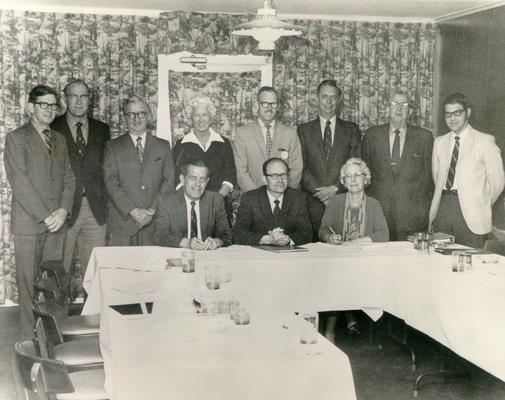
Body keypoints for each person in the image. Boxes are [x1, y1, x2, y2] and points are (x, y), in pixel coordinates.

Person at [4, 85, 76, 338]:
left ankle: (53, 339)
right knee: (27, 286)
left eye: (53, 105)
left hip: (57, 224)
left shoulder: (59, 140)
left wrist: (64, 211)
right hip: (29, 224)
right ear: (30, 107)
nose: (48, 110)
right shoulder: (16, 138)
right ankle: (27, 342)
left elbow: (69, 179)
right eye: (43, 104)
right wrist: (46, 216)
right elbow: (19, 182)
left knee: (54, 284)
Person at [318, 158, 388, 341]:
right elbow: (323, 230)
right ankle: (330, 330)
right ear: (343, 182)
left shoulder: (374, 204)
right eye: (348, 176)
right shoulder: (335, 202)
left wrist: (361, 240)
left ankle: (349, 316)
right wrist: (329, 237)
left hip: (365, 262)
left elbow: (384, 234)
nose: (353, 179)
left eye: (357, 175)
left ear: (366, 179)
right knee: (335, 275)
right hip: (339, 261)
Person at [429, 92, 505, 248]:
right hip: (443, 209)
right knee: (439, 262)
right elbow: (437, 178)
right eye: (448, 114)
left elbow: (497, 183)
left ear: (468, 112)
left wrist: (480, 202)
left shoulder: (485, 141)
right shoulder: (439, 142)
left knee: (470, 263)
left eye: (457, 113)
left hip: (472, 216)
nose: (452, 118)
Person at [51, 79, 110, 274]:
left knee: (94, 273)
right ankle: (59, 307)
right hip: (63, 210)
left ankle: (91, 306)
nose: (78, 101)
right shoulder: (52, 128)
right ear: (65, 99)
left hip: (94, 210)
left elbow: (107, 171)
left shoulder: (102, 130)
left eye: (83, 96)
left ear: (89, 100)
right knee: (59, 271)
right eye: (73, 96)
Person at [361, 89, 434, 241]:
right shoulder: (371, 136)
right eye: (394, 104)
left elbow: (428, 181)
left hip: (412, 218)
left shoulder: (424, 138)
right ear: (388, 108)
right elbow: (364, 178)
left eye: (404, 104)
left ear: (410, 111)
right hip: (378, 216)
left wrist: (423, 213)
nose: (399, 108)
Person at [104, 95, 174, 246]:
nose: (136, 118)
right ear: (125, 118)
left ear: (148, 116)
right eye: (131, 114)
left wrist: (152, 211)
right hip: (123, 224)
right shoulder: (113, 147)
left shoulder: (163, 146)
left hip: (154, 224)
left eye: (141, 113)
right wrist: (133, 211)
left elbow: (168, 182)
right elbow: (111, 183)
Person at [297, 79, 362, 239]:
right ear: (317, 98)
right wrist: (320, 192)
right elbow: (301, 166)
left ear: (338, 100)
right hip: (311, 205)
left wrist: (335, 188)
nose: (329, 101)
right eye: (324, 96)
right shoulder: (303, 130)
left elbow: (355, 164)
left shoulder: (351, 129)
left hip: (343, 202)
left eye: (333, 97)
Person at [173, 94, 236, 218]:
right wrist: (194, 201)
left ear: (211, 117)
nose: (201, 119)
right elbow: (178, 180)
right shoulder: (181, 145)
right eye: (196, 115)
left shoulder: (224, 143)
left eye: (205, 115)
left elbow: (229, 178)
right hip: (189, 207)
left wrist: (214, 201)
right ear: (191, 118)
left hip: (219, 205)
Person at [233, 86, 303, 192]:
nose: (269, 108)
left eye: (273, 104)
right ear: (257, 105)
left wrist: (284, 195)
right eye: (265, 103)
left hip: (283, 200)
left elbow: (296, 169)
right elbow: (241, 172)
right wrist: (258, 198)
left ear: (278, 106)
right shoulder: (242, 133)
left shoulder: (290, 133)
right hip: (253, 201)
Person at [233, 158, 312, 246]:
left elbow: (306, 233)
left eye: (283, 175)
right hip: (258, 255)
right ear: (264, 179)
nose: (280, 180)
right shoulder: (250, 198)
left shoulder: (298, 198)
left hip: (289, 255)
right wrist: (265, 239)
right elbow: (238, 234)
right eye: (274, 176)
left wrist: (288, 240)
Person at [154, 160, 232, 249]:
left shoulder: (215, 200)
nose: (198, 184)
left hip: (207, 256)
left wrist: (217, 242)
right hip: (178, 256)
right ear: (182, 180)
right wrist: (187, 243)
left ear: (207, 181)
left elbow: (227, 235)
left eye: (202, 179)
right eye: (193, 178)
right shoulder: (166, 201)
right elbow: (159, 236)